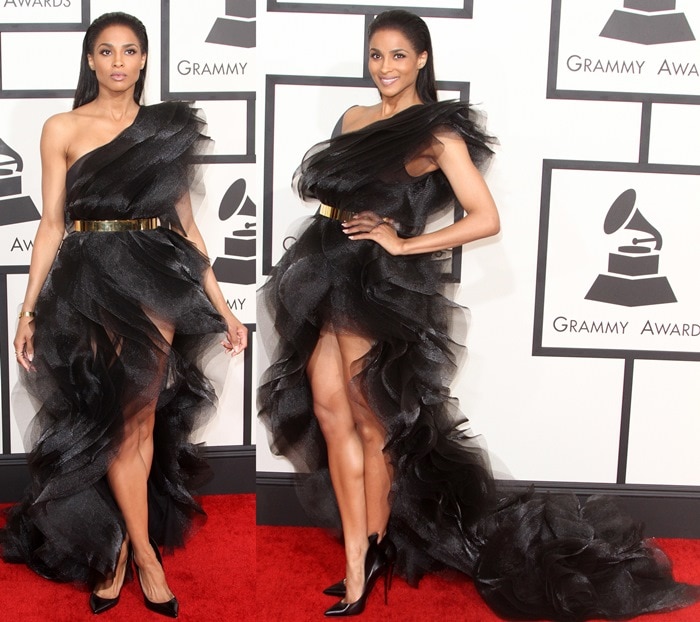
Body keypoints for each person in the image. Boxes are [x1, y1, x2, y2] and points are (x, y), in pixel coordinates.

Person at [259, 9, 699, 619]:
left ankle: (365, 560)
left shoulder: (436, 133)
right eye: (376, 55)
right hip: (320, 265)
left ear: (422, 60)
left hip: (372, 283)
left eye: (397, 56)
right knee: (330, 413)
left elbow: (484, 216)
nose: (385, 68)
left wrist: (404, 243)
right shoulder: (352, 118)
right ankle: (361, 547)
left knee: (369, 423)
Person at [0, 12, 247, 618]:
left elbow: (186, 226)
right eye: (105, 50)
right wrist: (27, 310)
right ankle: (137, 554)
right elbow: (53, 224)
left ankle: (128, 553)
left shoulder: (164, 130)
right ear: (90, 61)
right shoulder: (62, 126)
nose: (117, 61)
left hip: (153, 280)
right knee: (111, 424)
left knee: (137, 420)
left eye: (129, 50)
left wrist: (225, 309)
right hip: (88, 280)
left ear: (143, 60)